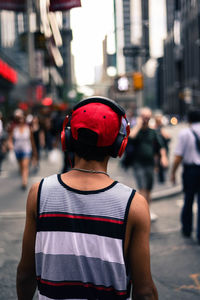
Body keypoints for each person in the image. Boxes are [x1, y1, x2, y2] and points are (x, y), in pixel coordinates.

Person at [16, 96, 158, 300]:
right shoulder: (134, 204)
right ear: (119, 144)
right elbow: (144, 292)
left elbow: (25, 275)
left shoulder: (39, 192)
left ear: (68, 137)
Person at [129, 107, 168, 221]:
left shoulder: (152, 131)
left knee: (149, 189)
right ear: (140, 117)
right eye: (144, 117)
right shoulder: (136, 130)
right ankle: (143, 214)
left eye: (147, 117)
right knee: (142, 188)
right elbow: (130, 137)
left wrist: (164, 158)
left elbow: (161, 146)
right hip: (138, 164)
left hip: (150, 164)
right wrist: (138, 125)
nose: (146, 119)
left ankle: (147, 211)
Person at [171, 108, 200, 245]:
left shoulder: (185, 133)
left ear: (188, 119)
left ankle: (187, 229)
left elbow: (178, 157)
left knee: (188, 200)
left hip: (191, 171)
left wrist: (173, 172)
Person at [8, 109, 37, 189]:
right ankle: (23, 178)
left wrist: (34, 153)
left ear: (24, 119)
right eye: (19, 119)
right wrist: (10, 145)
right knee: (21, 167)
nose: (20, 120)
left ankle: (24, 181)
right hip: (17, 150)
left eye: (22, 119)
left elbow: (32, 141)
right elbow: (10, 139)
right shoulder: (14, 129)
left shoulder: (28, 129)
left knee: (25, 166)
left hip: (26, 149)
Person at [154, 112, 171, 183]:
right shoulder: (155, 129)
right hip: (158, 149)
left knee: (162, 163)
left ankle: (162, 176)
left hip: (164, 148)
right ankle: (161, 177)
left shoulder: (162, 128)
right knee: (159, 163)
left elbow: (168, 137)